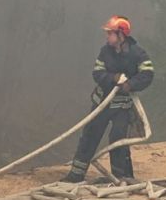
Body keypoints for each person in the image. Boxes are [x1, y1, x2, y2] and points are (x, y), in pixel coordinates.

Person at [63, 15, 155, 183]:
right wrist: (113, 78)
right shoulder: (105, 51)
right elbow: (97, 73)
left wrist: (131, 84)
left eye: (110, 33)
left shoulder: (137, 54)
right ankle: (76, 174)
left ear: (121, 35)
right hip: (102, 104)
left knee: (118, 140)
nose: (107, 37)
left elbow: (147, 74)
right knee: (90, 136)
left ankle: (121, 177)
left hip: (123, 107)